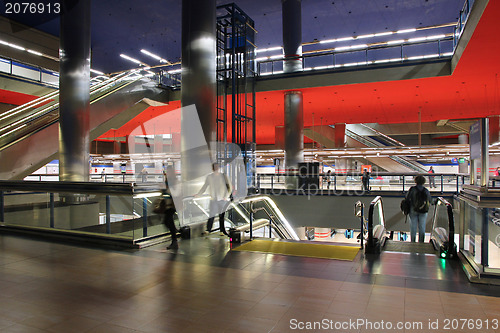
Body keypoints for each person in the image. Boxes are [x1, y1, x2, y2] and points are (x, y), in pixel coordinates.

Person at [195, 163, 232, 236]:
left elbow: (229, 187)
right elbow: (204, 186)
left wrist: (226, 196)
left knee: (221, 216)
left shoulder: (223, 176)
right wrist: (198, 194)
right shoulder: (210, 177)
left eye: (217, 167)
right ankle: (209, 229)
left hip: (222, 199)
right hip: (214, 199)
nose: (216, 169)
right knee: (212, 214)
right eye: (215, 167)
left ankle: (221, 230)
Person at [405, 175, 432, 243]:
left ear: (416, 181)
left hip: (413, 210)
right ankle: (421, 242)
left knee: (413, 227)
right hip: (423, 211)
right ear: (423, 182)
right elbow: (430, 200)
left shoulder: (412, 189)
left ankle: (413, 241)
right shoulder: (426, 190)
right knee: (422, 227)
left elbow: (407, 198)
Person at [163, 166, 178, 250]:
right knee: (168, 222)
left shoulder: (174, 181)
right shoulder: (167, 180)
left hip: (172, 205)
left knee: (168, 221)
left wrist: (167, 190)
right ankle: (174, 239)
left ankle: (174, 239)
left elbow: (175, 191)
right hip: (167, 204)